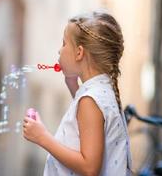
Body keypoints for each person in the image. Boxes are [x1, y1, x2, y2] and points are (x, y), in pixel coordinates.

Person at [23, 11, 132, 176]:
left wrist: (42, 137)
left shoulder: (90, 100)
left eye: (64, 44)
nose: (59, 51)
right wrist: (73, 85)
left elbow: (89, 168)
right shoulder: (102, 91)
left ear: (79, 53)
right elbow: (88, 124)